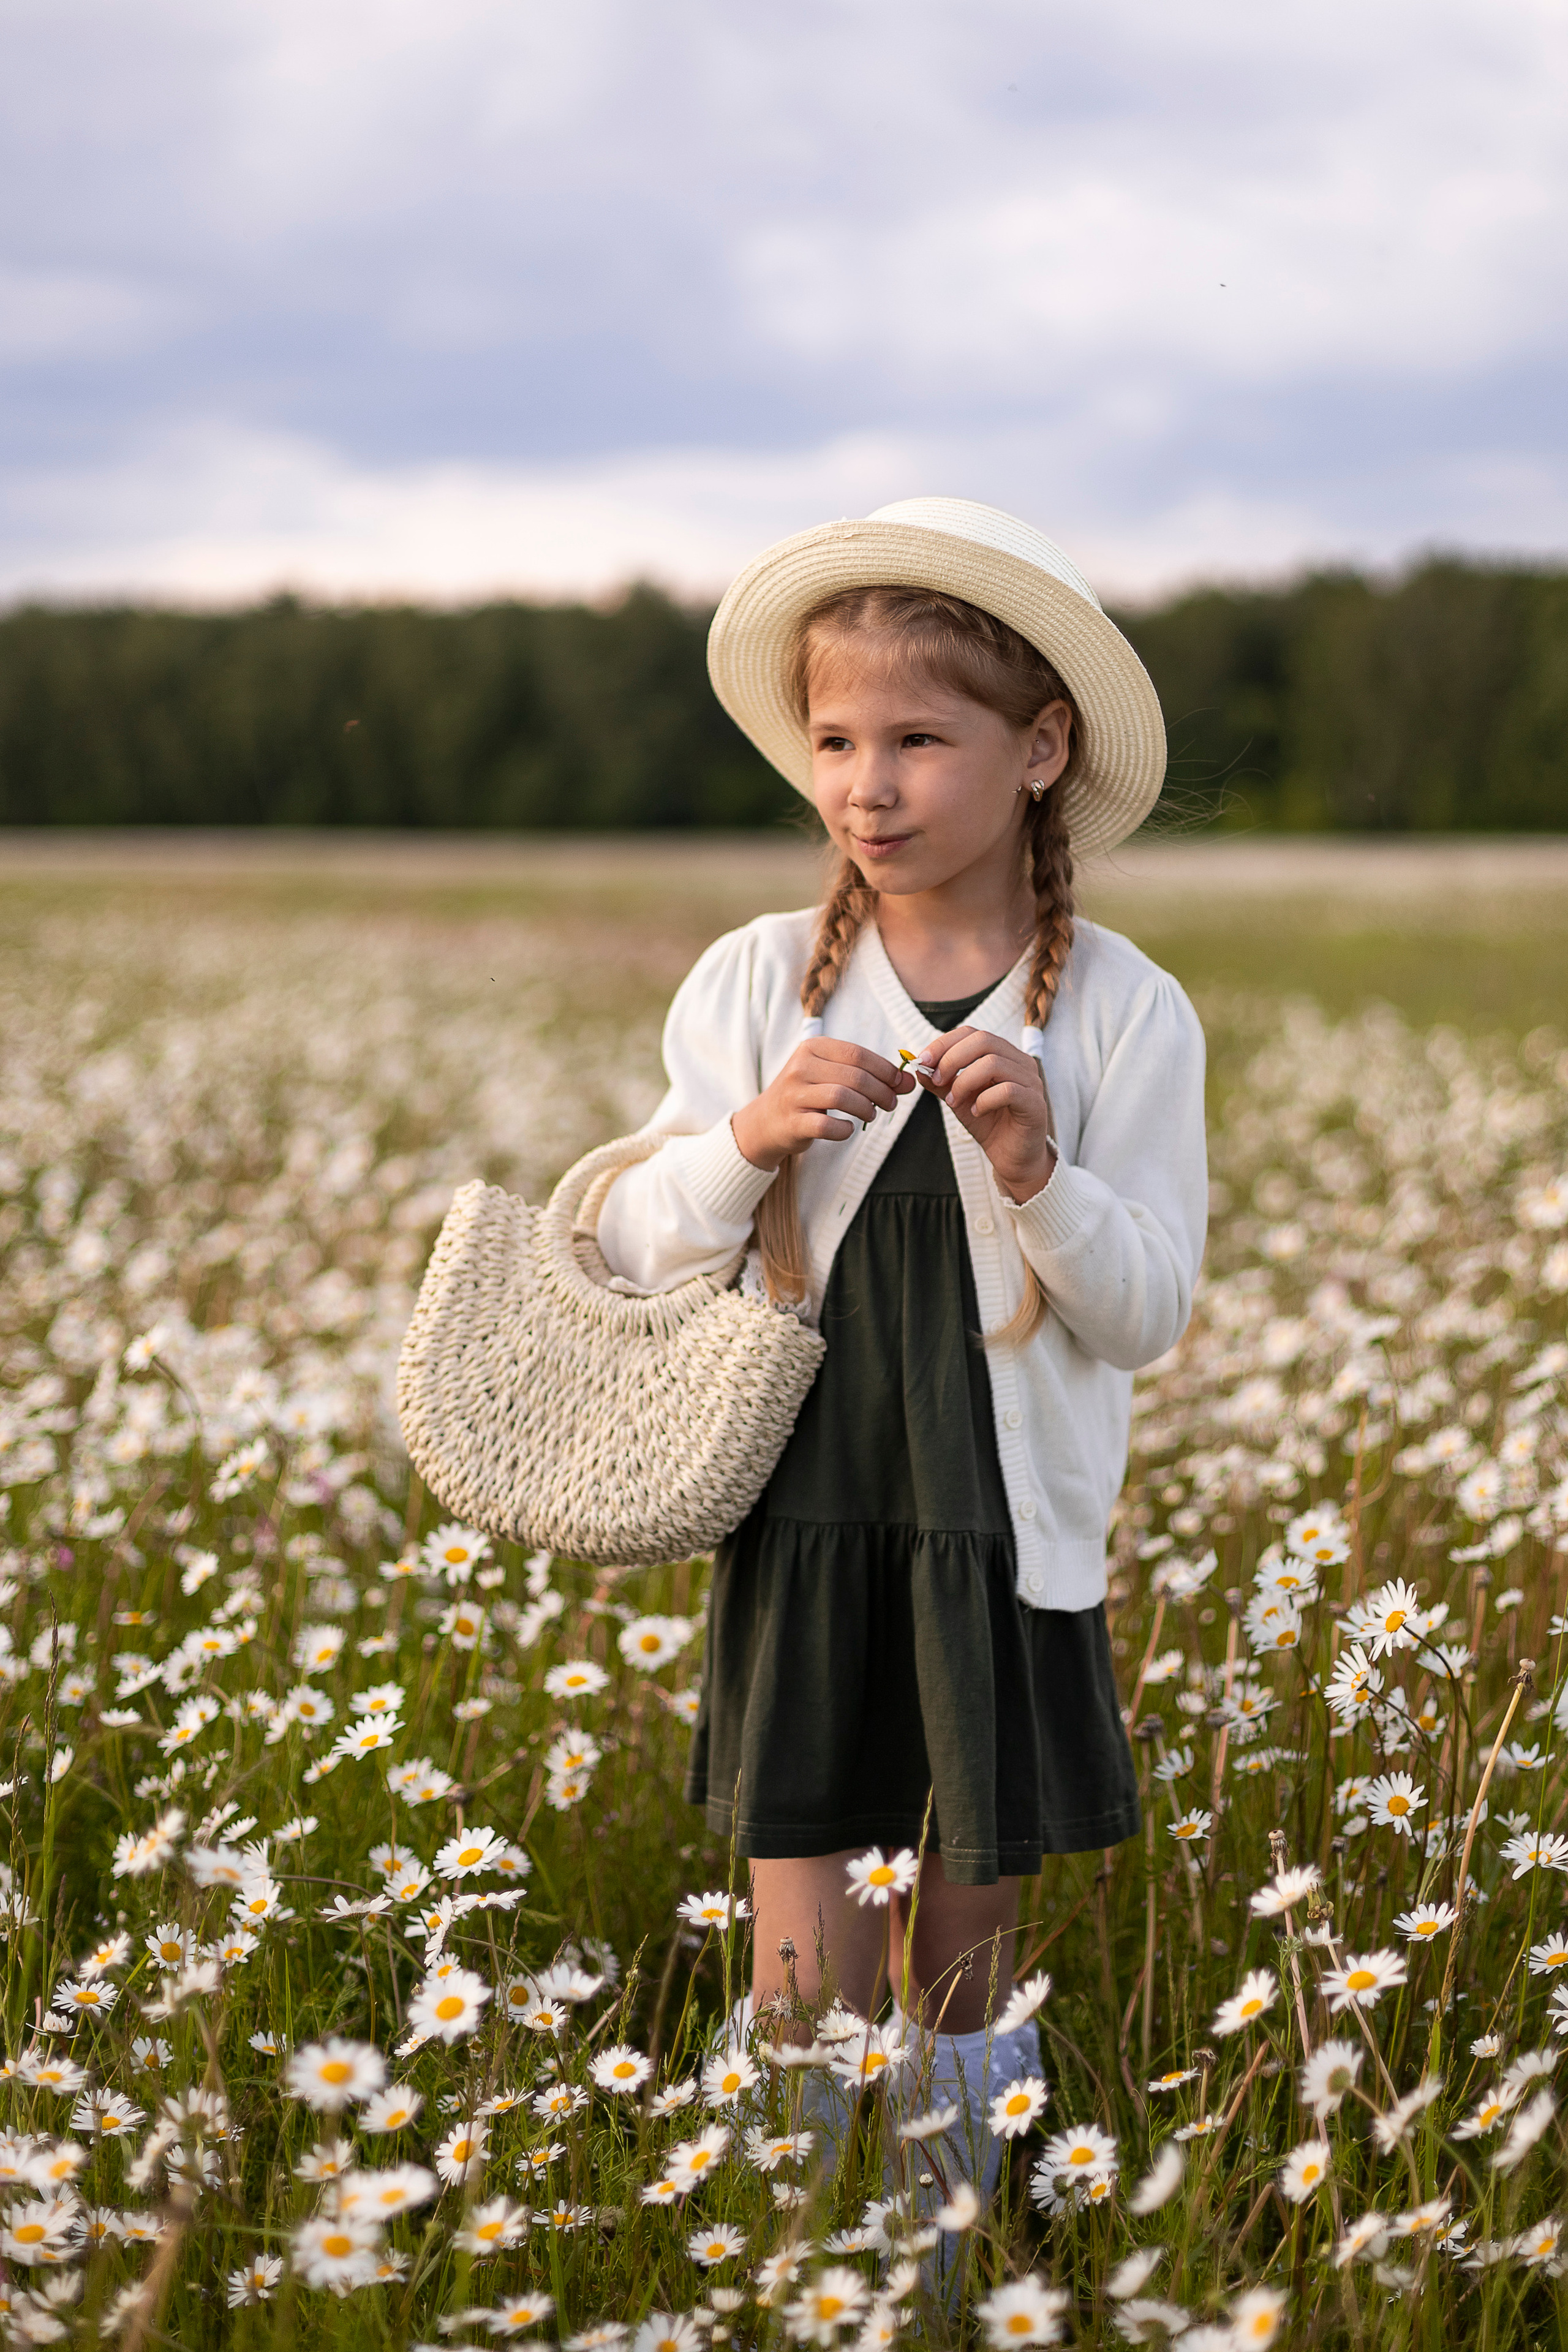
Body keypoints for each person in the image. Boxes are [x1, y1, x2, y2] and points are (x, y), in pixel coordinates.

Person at [595, 497, 1207, 2174]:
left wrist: (1039, 1173)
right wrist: (747, 1141)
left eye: (919, 739)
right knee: (805, 1985)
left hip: (999, 1556)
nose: (867, 784)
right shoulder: (756, 984)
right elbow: (632, 1247)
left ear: (1040, 750)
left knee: (958, 1979)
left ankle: (944, 2262)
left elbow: (1147, 1310)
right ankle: (799, 2256)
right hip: (808, 1537)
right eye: (836, 740)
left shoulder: (1126, 1011)